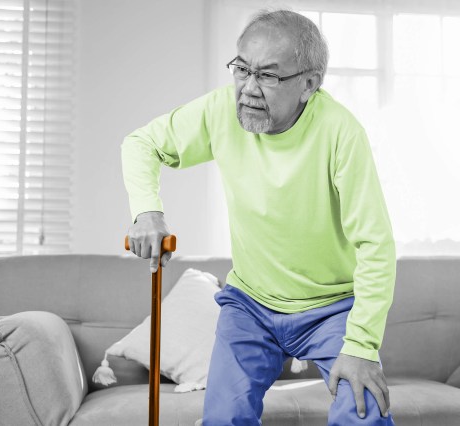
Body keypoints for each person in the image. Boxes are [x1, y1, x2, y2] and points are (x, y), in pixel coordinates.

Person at [122, 9, 396, 426]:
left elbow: (376, 246)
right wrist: (147, 211)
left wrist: (360, 346)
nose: (247, 88)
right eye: (241, 69)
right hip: (250, 304)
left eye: (267, 76)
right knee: (224, 418)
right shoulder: (220, 111)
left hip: (331, 308)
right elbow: (141, 144)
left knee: (363, 413)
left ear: (309, 84)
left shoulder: (341, 132)